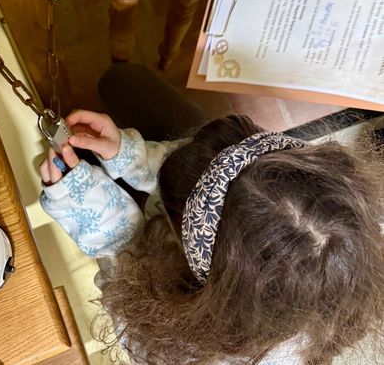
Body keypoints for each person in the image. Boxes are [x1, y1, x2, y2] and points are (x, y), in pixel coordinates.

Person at [39, 110, 384, 365]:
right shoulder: (337, 228)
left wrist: (106, 223)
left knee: (124, 82)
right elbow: (211, 167)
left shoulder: (177, 350)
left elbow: (126, 296)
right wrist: (130, 155)